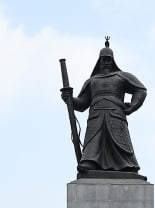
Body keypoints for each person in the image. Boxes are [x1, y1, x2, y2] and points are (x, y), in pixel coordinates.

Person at [61, 38, 147, 173]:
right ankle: (90, 162)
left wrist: (133, 105)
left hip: (116, 115)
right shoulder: (92, 81)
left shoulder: (121, 76)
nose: (106, 62)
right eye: (104, 59)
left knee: (120, 142)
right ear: (99, 61)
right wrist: (69, 99)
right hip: (96, 115)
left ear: (113, 60)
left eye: (108, 59)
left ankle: (126, 165)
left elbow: (140, 90)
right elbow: (82, 103)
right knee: (94, 140)